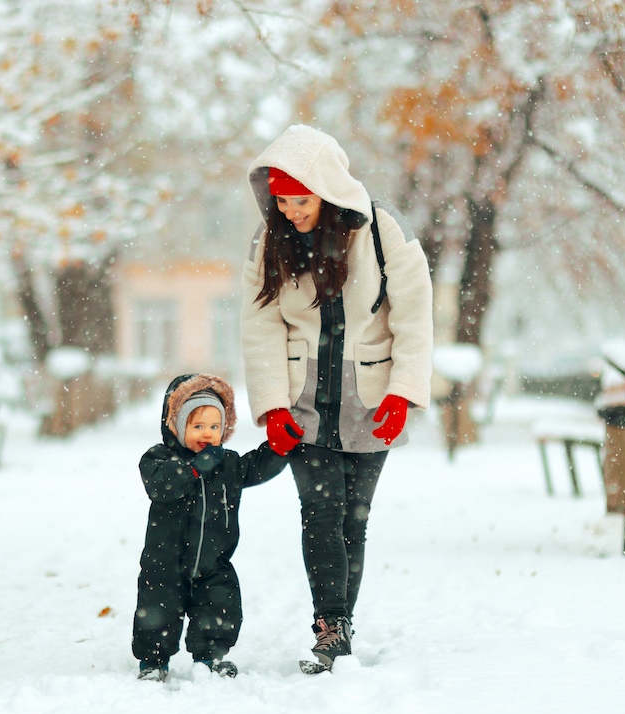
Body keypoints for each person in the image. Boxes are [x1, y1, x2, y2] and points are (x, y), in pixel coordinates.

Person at [239, 124, 433, 673]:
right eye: (280, 200)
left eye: (299, 200)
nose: (289, 211)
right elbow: (260, 326)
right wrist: (273, 404)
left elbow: (416, 312)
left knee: (353, 518)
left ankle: (339, 621)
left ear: (325, 190)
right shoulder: (269, 240)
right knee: (319, 513)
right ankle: (331, 629)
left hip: (370, 398)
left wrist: (403, 392)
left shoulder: (380, 228)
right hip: (302, 401)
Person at [133, 373, 289, 681]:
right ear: (178, 426)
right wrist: (193, 469)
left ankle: (210, 658)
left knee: (220, 607)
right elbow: (161, 486)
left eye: (214, 427)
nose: (207, 434)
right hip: (165, 561)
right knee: (157, 612)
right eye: (198, 426)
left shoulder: (227, 463)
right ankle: (153, 661)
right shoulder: (159, 458)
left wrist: (279, 448)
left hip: (213, 561)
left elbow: (255, 467)